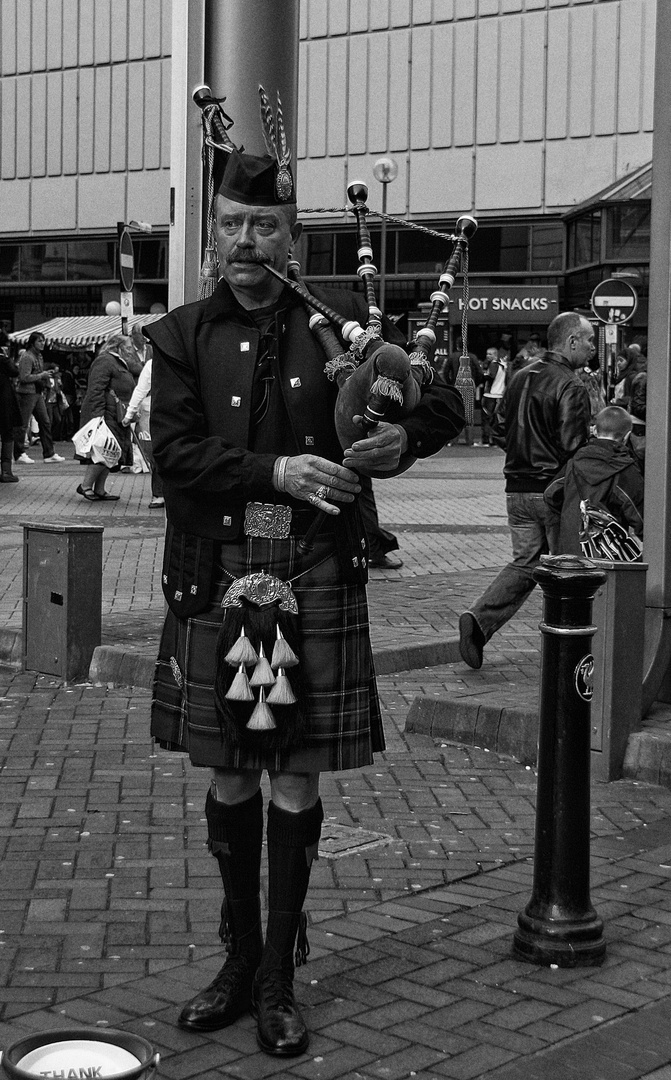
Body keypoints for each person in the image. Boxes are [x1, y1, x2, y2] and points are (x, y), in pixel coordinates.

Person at [144, 139, 464, 1058]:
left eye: (267, 227)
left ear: (293, 236)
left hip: (315, 568)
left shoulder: (339, 327)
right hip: (217, 568)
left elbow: (437, 407)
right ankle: (237, 961)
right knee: (230, 771)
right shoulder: (179, 336)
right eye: (234, 225)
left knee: (294, 772)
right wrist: (276, 468)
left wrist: (399, 447)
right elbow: (174, 458)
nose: (248, 241)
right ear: (214, 232)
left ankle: (279, 974)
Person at [458, 311, 593, 669]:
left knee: (526, 563)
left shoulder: (519, 376)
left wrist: (521, 454)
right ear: (572, 342)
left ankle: (480, 620)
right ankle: (568, 648)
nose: (593, 348)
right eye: (590, 341)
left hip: (515, 486)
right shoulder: (571, 385)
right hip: (552, 490)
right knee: (568, 569)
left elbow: (498, 426)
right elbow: (574, 444)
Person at [544, 405, 643, 556]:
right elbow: (638, 512)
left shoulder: (574, 462)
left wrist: (568, 515)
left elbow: (550, 494)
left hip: (571, 549)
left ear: (595, 431)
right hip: (607, 552)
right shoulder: (625, 469)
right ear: (627, 435)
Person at [76, 332, 143, 501]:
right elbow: (96, 389)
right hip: (106, 413)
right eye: (127, 347)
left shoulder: (118, 362)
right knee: (104, 449)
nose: (130, 350)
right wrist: (98, 415)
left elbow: (138, 369)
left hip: (116, 413)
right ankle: (85, 486)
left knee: (112, 451)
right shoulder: (105, 361)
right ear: (118, 347)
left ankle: (99, 489)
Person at [122, 346, 165, 509]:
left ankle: (160, 494)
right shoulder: (179, 362)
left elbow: (141, 390)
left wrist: (129, 415)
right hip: (172, 412)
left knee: (156, 452)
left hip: (154, 411)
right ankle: (163, 493)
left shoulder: (152, 365)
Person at [16, 332, 65, 463]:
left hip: (37, 393)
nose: (42, 343)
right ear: (32, 342)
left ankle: (49, 453)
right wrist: (41, 375)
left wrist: (43, 377)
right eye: (40, 341)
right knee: (23, 423)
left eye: (43, 341)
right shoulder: (27, 356)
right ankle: (19, 453)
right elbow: (24, 377)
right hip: (27, 393)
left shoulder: (39, 356)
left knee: (45, 421)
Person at [0, 331, 22, 483]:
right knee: (7, 433)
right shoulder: (2, 359)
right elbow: (15, 371)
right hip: (3, 401)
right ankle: (6, 471)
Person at [480, 346, 507, 447]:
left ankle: (486, 440)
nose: (487, 356)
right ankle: (494, 440)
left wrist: (483, 375)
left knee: (487, 419)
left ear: (495, 355)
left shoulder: (493, 365)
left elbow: (491, 376)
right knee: (496, 419)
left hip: (490, 395)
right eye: (487, 354)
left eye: (490, 354)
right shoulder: (503, 365)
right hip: (500, 395)